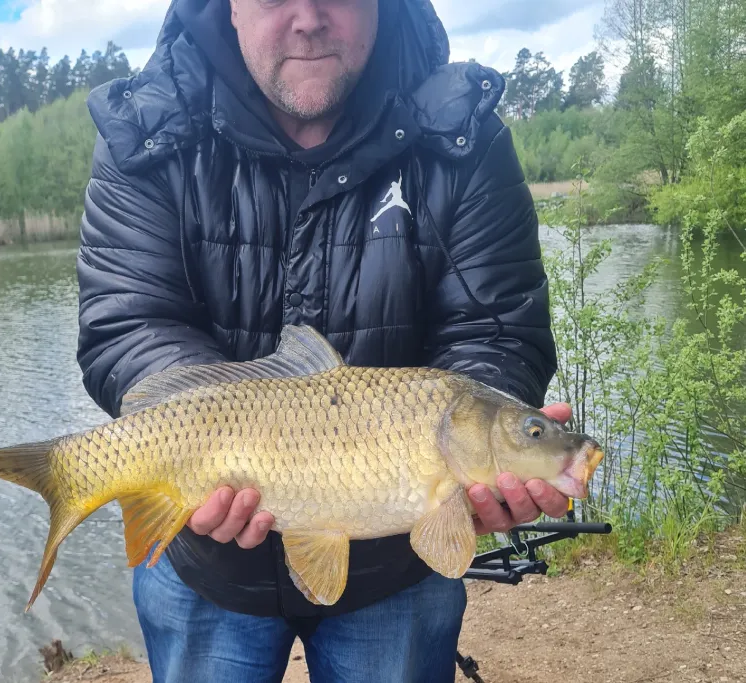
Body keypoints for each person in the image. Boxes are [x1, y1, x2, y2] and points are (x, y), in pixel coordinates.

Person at [76, 0, 571, 680]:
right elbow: (128, 321)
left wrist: (498, 446)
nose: (307, 17)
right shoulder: (146, 130)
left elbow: (496, 329)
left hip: (397, 565)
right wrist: (198, 438)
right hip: (204, 565)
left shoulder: (462, 132)